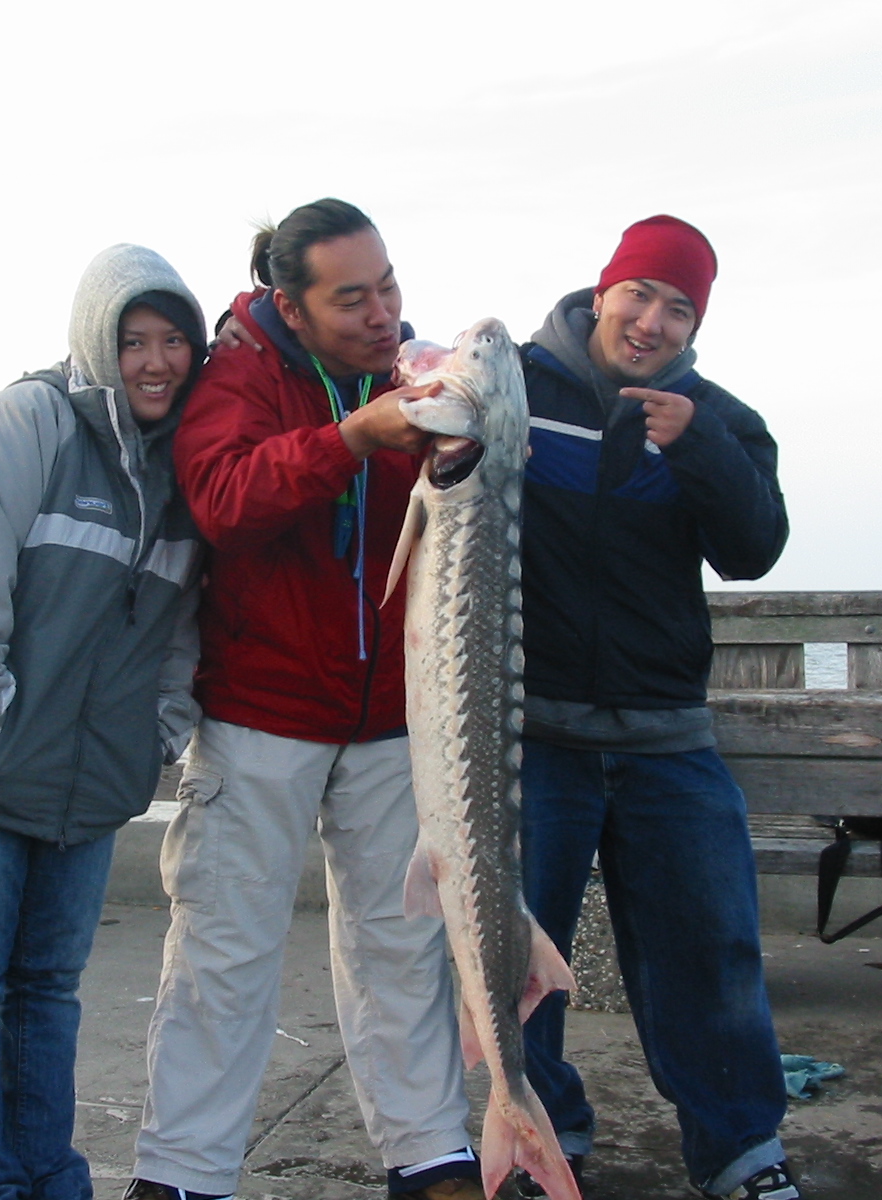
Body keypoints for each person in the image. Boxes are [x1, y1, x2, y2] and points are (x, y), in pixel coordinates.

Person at [125, 198, 485, 1200]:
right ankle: (183, 1173)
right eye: (352, 297)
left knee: (402, 945)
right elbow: (223, 499)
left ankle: (429, 1152)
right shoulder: (235, 371)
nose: (381, 312)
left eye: (390, 286)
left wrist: (462, 425)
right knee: (224, 952)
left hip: (390, 724)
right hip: (259, 716)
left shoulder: (413, 370)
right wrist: (354, 436)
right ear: (289, 301)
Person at [0, 243, 207, 1200]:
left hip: (85, 788)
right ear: (95, 340)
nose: (154, 361)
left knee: (47, 997)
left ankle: (49, 1180)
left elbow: (182, 636)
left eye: (173, 341)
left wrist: (154, 739)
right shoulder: (23, 425)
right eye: (133, 340)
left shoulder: (182, 472)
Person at [514, 215, 797, 1200]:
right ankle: (545, 1142)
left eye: (678, 309)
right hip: (531, 737)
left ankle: (740, 1156)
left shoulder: (718, 417)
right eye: (640, 293)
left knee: (709, 958)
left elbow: (753, 548)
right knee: (520, 968)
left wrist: (699, 446)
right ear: (604, 288)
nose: (651, 322)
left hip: (665, 739)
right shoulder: (513, 384)